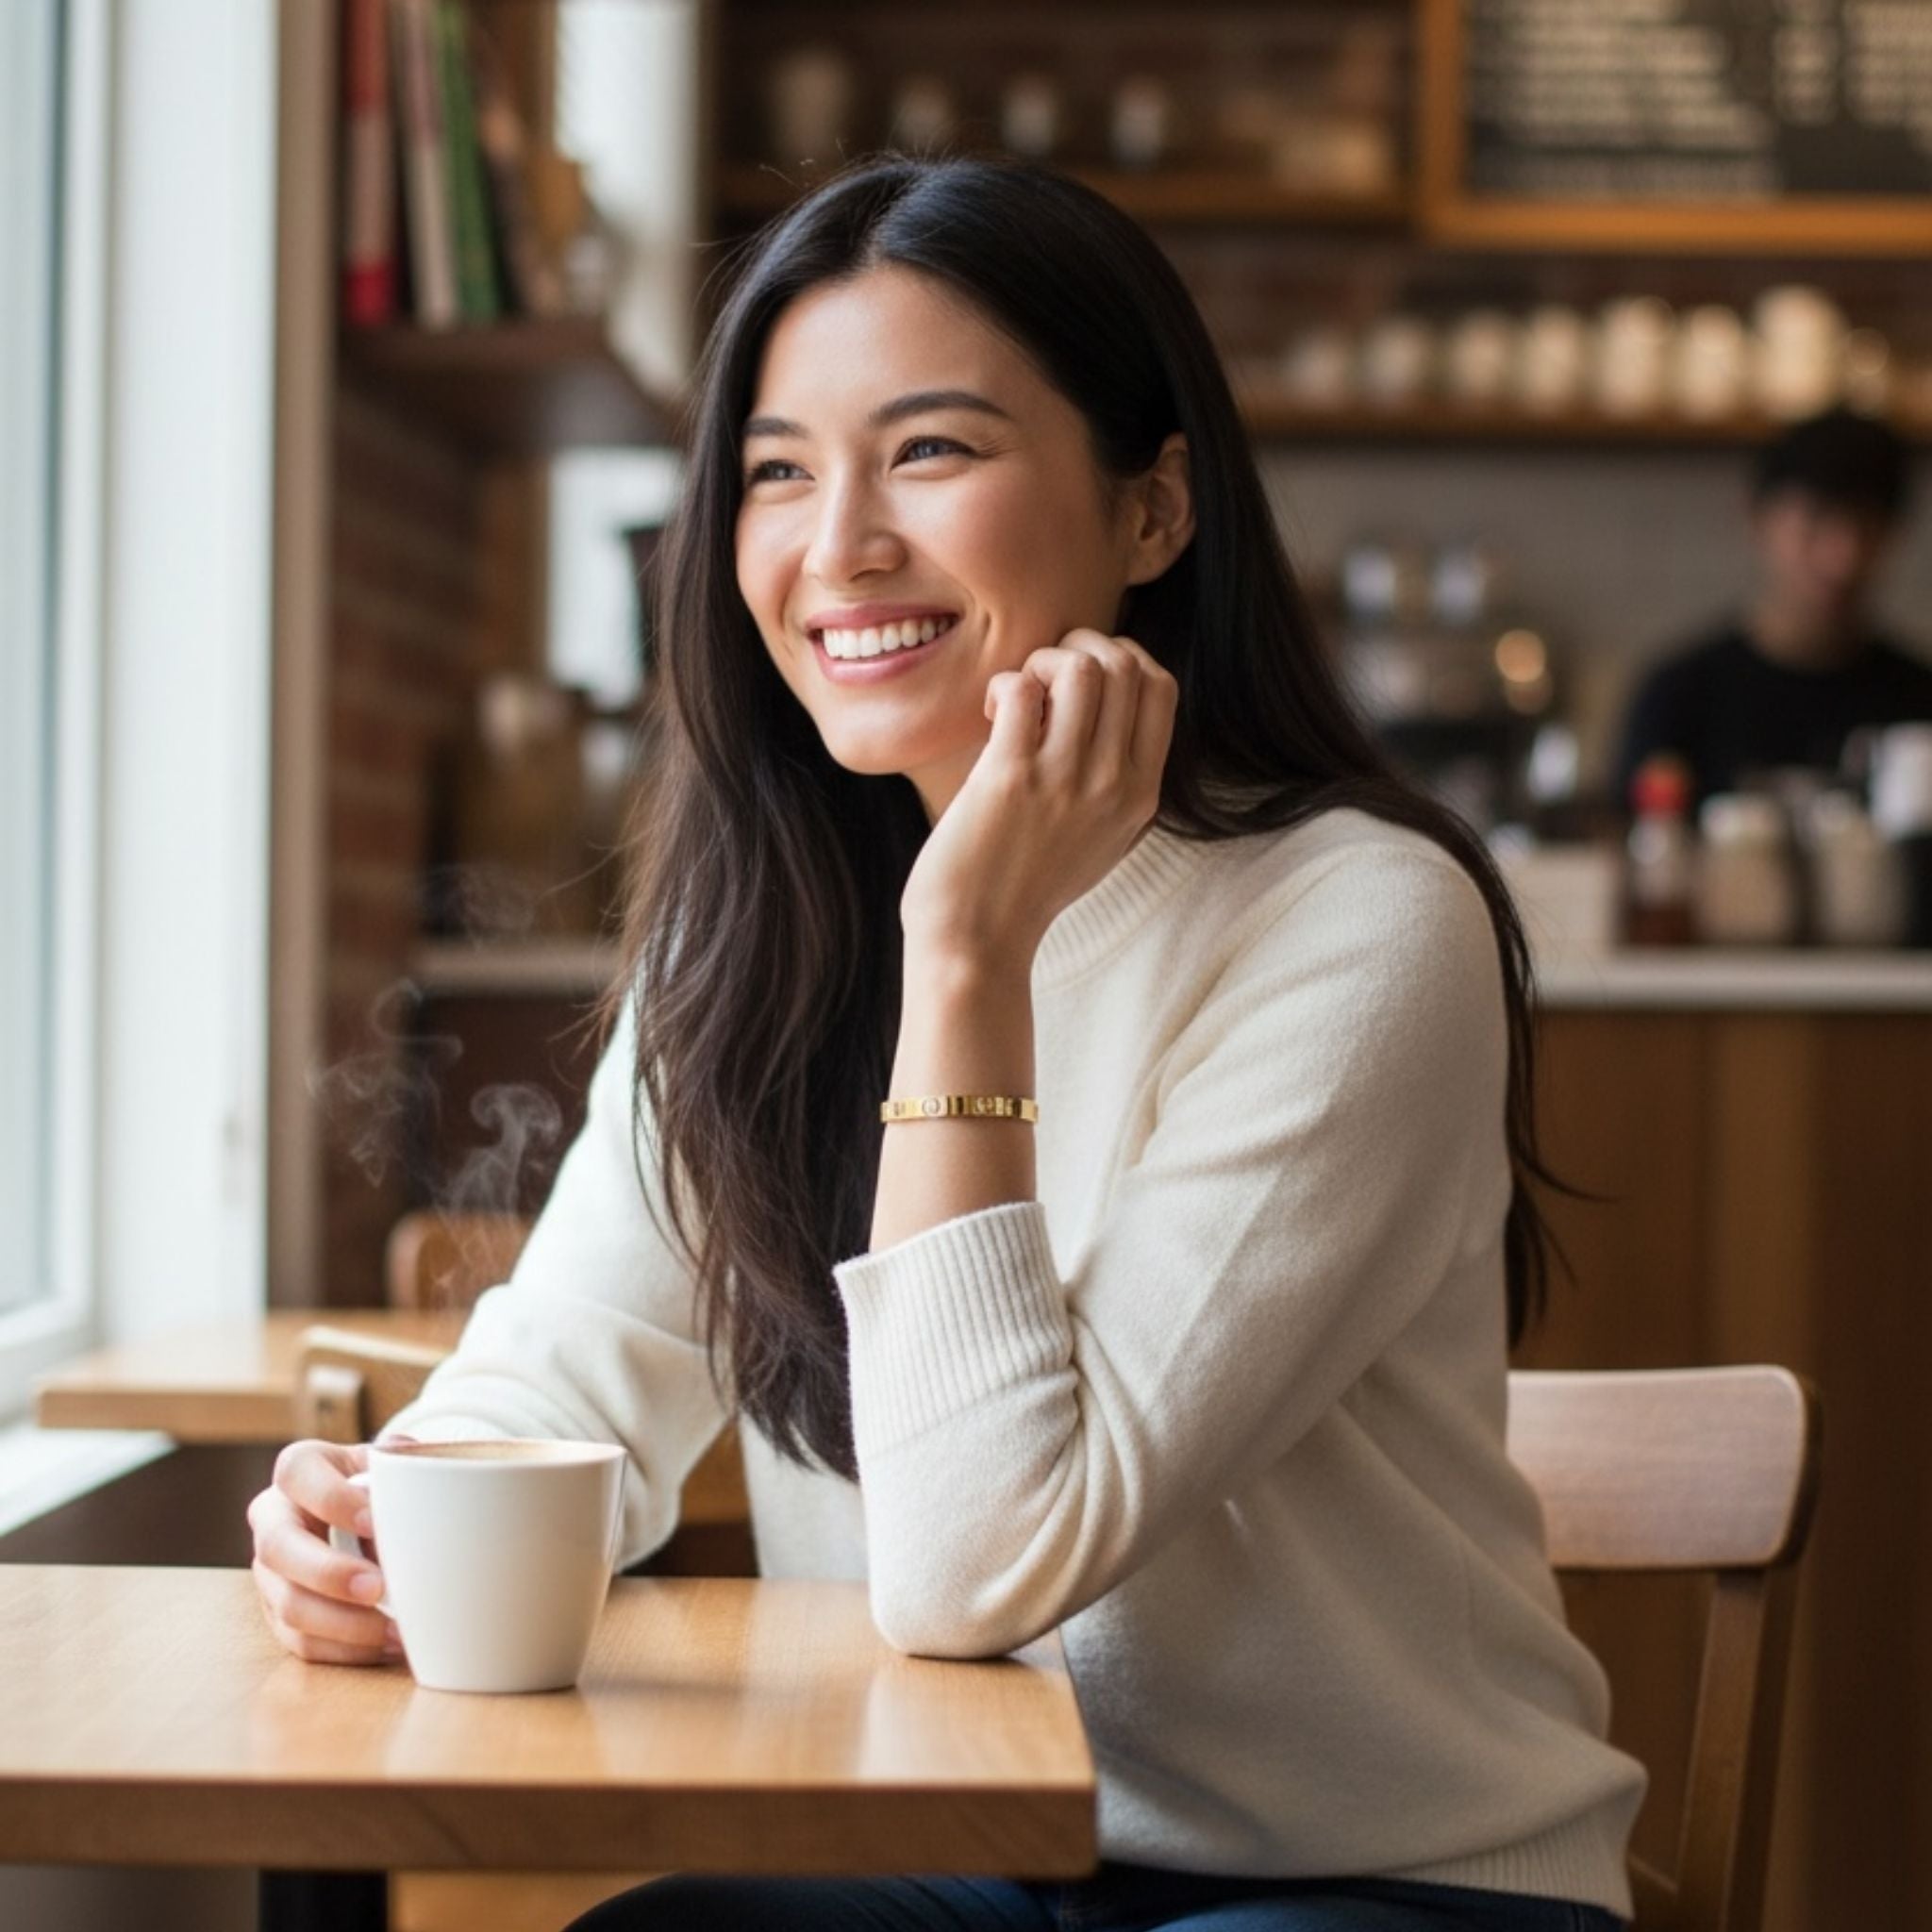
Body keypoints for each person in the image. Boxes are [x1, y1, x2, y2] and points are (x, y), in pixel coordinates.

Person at [247, 152, 1643, 1931]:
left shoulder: (1359, 925)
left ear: (1151, 512)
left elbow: (980, 1561)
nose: (837, 547)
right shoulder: (747, 926)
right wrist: (375, 1522)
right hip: (961, 1861)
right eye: (774, 470)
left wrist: (967, 949)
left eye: (929, 449)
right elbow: (568, 1374)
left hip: (1379, 1880)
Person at [1612, 405, 1932, 811]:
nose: (1842, 558)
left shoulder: (1919, 701)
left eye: (1866, 528)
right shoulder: (1681, 695)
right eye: (1816, 520)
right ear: (1758, 517)